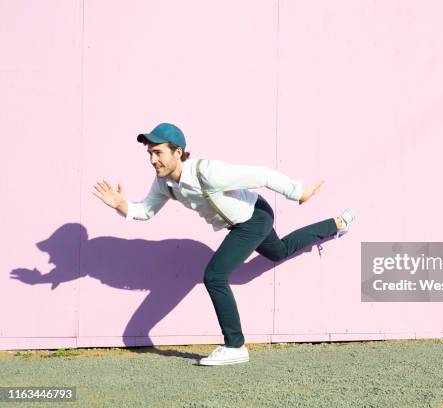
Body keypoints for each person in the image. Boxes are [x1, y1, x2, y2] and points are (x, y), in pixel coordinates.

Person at [92, 123, 356, 366]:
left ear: (178, 152)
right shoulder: (164, 184)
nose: (152, 160)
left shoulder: (207, 172)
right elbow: (146, 212)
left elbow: (262, 175)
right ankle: (336, 224)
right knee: (279, 251)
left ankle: (235, 345)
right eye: (149, 153)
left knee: (214, 276)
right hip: (241, 223)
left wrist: (298, 192)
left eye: (158, 153)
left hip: (254, 218)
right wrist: (120, 205)